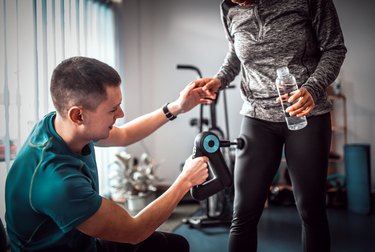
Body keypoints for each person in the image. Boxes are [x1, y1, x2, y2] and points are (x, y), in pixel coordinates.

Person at [5, 56, 211, 252]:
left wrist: (177, 107)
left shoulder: (60, 126)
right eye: (113, 110)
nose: (121, 114)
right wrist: (185, 181)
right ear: (78, 115)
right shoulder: (58, 183)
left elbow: (125, 134)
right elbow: (135, 230)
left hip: (81, 242)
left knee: (173, 245)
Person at [195, 0, 347, 251]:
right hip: (257, 116)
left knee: (311, 211)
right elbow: (236, 51)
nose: (238, 1)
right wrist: (220, 79)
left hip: (306, 114)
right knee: (242, 215)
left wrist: (312, 88)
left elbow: (334, 48)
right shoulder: (228, 8)